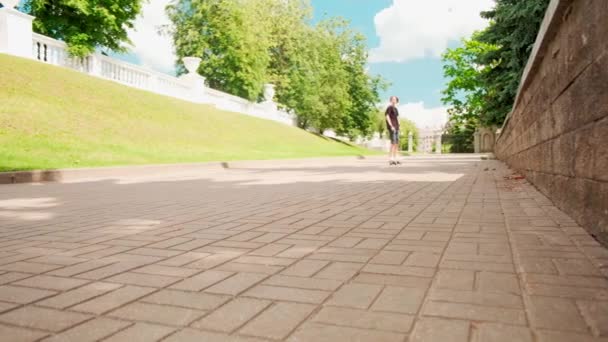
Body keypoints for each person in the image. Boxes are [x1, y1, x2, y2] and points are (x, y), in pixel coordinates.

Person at [385, 96, 400, 165]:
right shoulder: (389, 108)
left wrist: (399, 125)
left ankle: (396, 158)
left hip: (397, 127)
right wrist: (391, 126)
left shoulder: (396, 109)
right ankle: (390, 158)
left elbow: (397, 117)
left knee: (396, 143)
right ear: (390, 100)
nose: (394, 100)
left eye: (395, 99)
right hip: (392, 127)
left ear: (397, 101)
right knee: (393, 142)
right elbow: (387, 116)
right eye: (393, 99)